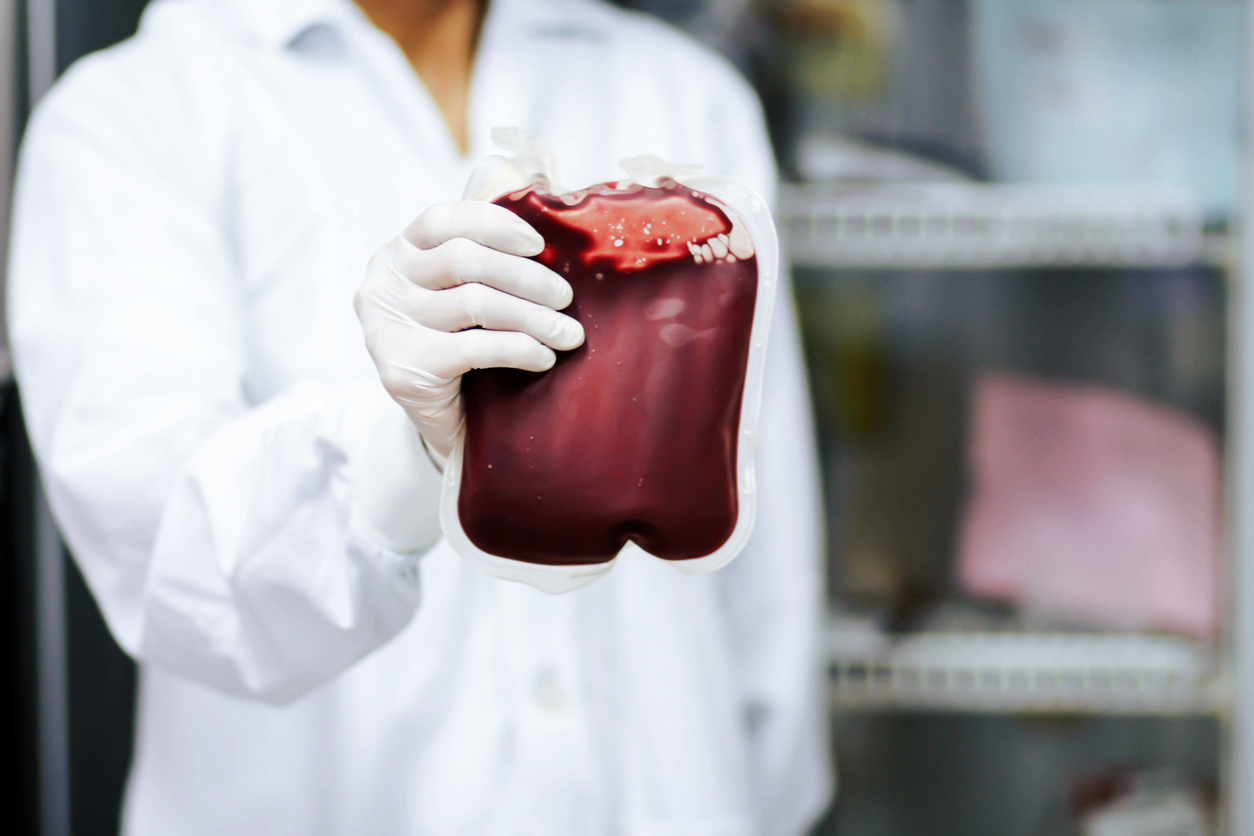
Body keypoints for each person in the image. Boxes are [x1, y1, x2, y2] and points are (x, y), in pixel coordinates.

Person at [8, 0, 831, 833]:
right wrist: (401, 455)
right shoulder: (132, 116)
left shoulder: (684, 95)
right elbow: (170, 553)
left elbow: (766, 569)